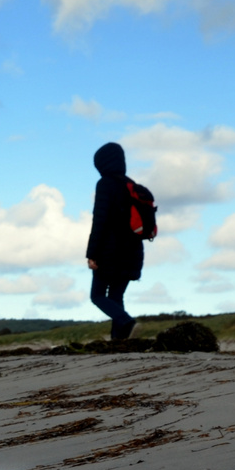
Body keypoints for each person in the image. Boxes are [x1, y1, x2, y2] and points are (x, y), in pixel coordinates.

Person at [86, 141, 144, 341]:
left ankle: (127, 321)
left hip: (110, 253)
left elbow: (99, 220)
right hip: (134, 251)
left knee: (97, 296)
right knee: (116, 297)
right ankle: (118, 342)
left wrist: (92, 254)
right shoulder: (131, 185)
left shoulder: (105, 184)